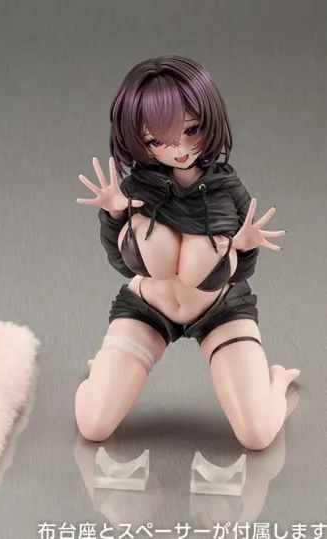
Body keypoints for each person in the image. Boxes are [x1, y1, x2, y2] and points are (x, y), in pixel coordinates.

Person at [74, 55, 299, 451]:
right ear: (137, 140)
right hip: (147, 310)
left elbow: (239, 271)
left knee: (258, 435)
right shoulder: (136, 188)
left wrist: (244, 247)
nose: (178, 148)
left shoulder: (227, 190)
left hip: (220, 311)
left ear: (209, 121)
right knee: (93, 426)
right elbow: (121, 262)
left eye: (191, 130)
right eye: (156, 140)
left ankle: (275, 382)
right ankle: (103, 373)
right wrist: (114, 215)